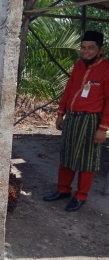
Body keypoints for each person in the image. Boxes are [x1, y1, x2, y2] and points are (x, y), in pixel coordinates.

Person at [43, 31, 109, 212]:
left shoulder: (106, 68)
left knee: (87, 161)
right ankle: (63, 189)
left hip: (91, 121)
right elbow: (69, 90)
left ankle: (81, 196)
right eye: (83, 47)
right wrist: (60, 113)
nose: (85, 51)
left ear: (100, 49)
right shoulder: (78, 66)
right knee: (67, 155)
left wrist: (103, 128)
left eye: (91, 48)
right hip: (72, 118)